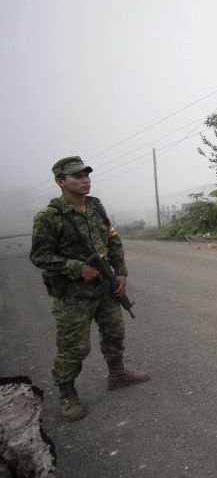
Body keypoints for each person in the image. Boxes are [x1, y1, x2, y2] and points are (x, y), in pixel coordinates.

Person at [30, 156, 150, 422]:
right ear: (61, 181)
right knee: (74, 347)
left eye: (86, 175)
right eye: (77, 176)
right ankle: (67, 394)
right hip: (72, 294)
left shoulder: (96, 208)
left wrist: (120, 273)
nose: (85, 180)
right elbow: (39, 256)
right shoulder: (50, 217)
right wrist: (77, 268)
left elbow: (112, 240)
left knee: (114, 331)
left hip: (105, 287)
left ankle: (117, 374)